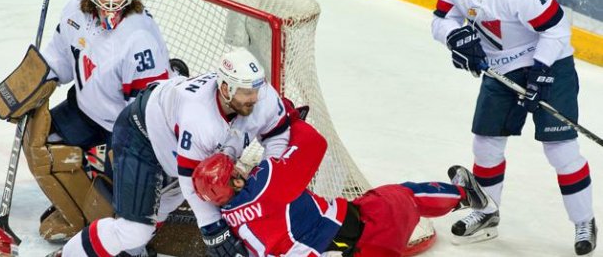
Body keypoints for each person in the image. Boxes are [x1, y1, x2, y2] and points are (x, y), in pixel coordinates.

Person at [0, 0, 171, 242]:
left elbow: (146, 109)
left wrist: (121, 148)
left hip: (127, 125)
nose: (110, 0)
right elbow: (58, 57)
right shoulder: (75, 12)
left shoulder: (140, 37)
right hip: (84, 110)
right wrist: (34, 84)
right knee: (38, 141)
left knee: (121, 185)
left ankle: (110, 228)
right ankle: (76, 210)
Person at [430, 0, 596, 255]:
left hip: (551, 60)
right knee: (486, 144)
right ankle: (488, 211)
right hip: (500, 67)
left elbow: (557, 30)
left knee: (561, 151)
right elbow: (441, 19)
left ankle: (584, 221)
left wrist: (542, 72)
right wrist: (454, 36)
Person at [59, 47, 291, 257]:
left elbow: (278, 135)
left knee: (166, 203)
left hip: (177, 138)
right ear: (225, 89)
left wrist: (270, 185)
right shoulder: (200, 117)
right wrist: (213, 228)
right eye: (246, 92)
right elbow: (191, 182)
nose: (255, 97)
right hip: (141, 134)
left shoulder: (264, 98)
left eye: (257, 87)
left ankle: (130, 254)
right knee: (135, 229)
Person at [191, 115, 497, 257]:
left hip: (344, 250)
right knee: (400, 196)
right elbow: (313, 143)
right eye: (235, 172)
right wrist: (289, 119)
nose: (241, 168)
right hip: (371, 233)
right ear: (235, 181)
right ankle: (465, 194)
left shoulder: (228, 220)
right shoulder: (264, 185)